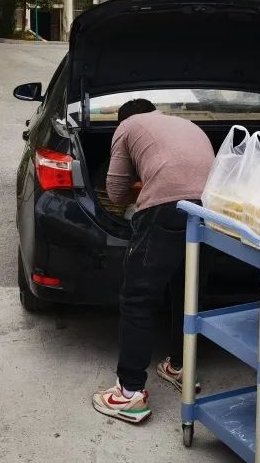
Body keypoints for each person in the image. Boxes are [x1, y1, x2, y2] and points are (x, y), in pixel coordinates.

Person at [92, 99, 214, 424]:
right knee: (187, 293)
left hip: (166, 212)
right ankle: (180, 368)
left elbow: (115, 191)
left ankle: (129, 393)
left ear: (124, 119)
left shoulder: (127, 126)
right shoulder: (186, 124)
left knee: (138, 299)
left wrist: (138, 190)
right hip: (211, 211)